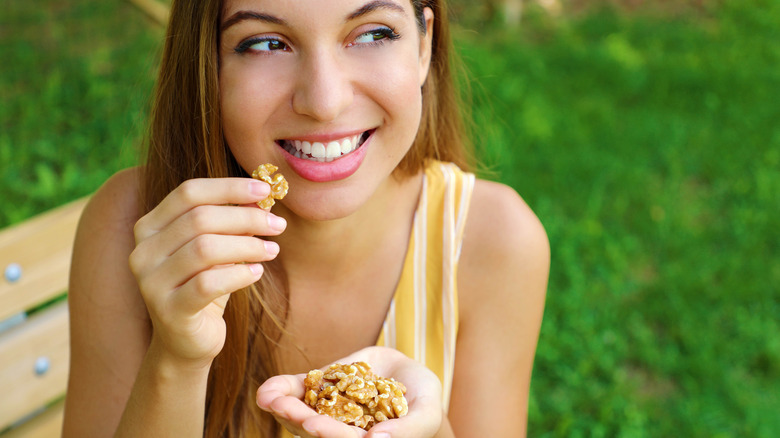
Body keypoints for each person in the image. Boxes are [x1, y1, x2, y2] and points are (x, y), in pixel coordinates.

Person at [62, 0, 549, 436]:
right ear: (207, 65)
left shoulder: (493, 241)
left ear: (424, 47)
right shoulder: (129, 229)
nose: (323, 101)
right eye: (266, 43)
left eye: (373, 33)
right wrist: (177, 359)